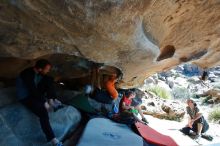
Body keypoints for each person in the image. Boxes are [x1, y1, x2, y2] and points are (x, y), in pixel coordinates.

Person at [16, 59, 63, 146]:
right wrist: (43, 102)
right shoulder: (27, 74)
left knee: (49, 79)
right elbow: (33, 90)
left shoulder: (36, 71)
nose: (48, 70)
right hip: (25, 97)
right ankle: (53, 139)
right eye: (47, 69)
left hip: (32, 93)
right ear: (40, 69)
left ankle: (52, 100)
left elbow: (40, 86)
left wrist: (49, 98)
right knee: (43, 113)